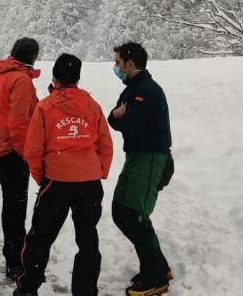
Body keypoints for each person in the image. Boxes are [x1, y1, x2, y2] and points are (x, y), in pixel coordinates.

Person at [15, 54, 113, 296]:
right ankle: (86, 290)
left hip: (57, 182)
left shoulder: (46, 107)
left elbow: (33, 150)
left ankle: (28, 288)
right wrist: (97, 171)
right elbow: (105, 145)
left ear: (55, 77)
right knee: (88, 239)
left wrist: (42, 178)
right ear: (78, 78)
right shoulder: (92, 105)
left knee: (40, 238)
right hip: (89, 184)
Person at [107, 42, 174, 296]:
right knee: (120, 211)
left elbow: (130, 124)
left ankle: (156, 278)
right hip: (135, 157)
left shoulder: (147, 91)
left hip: (151, 158)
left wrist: (120, 117)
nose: (116, 67)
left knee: (134, 213)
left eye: (117, 63)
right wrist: (117, 115)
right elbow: (115, 119)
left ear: (130, 64)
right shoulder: (132, 90)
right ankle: (157, 266)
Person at [0, 37, 40, 280]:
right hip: (11, 149)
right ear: (32, 57)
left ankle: (13, 253)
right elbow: (18, 124)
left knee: (11, 202)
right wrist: (27, 154)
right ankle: (15, 260)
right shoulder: (21, 80)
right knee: (16, 205)